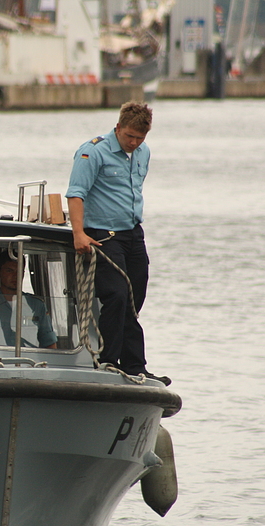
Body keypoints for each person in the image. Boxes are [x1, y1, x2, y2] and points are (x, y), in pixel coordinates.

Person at [66, 101, 170, 385]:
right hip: (103, 234)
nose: (134, 143)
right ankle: (109, 360)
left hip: (133, 233)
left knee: (134, 299)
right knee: (116, 295)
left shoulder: (142, 152)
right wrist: (78, 233)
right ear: (118, 128)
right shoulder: (93, 151)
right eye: (129, 137)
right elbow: (76, 194)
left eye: (140, 138)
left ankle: (136, 366)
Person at [0, 250, 57, 349]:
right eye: (9, 270)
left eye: (19, 271)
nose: (15, 276)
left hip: (29, 362)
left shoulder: (37, 306)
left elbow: (49, 344)